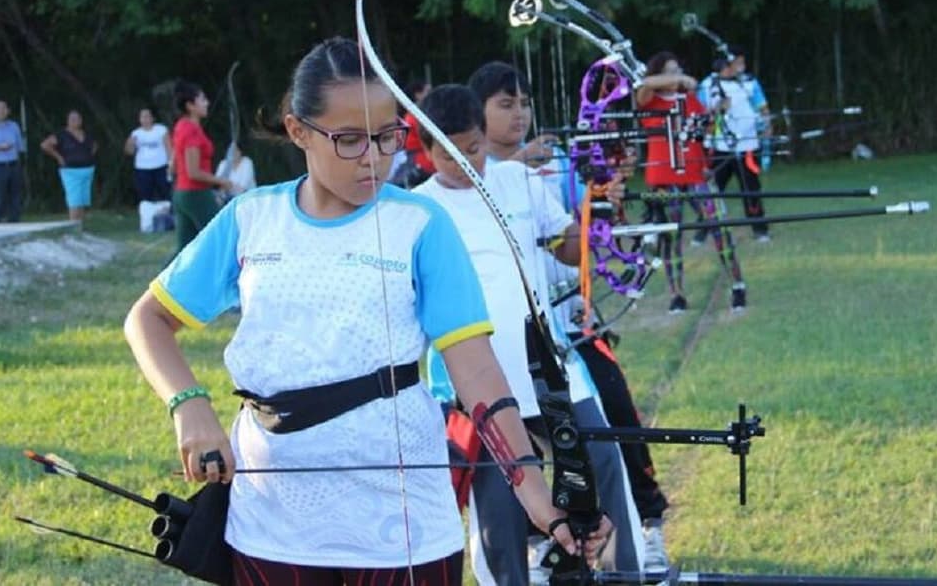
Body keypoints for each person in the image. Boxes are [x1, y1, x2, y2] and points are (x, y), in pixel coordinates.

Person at [123, 38, 607, 586]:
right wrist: (190, 407)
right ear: (298, 130)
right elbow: (147, 320)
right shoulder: (251, 219)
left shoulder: (422, 225)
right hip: (270, 517)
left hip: (401, 525)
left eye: (386, 137)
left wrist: (538, 499)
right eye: (349, 140)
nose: (374, 157)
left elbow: (476, 372)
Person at [413, 85, 640, 585]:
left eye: (471, 148)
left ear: (483, 139)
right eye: (445, 152)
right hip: (471, 387)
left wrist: (597, 210)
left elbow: (566, 247)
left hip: (548, 367)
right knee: (498, 504)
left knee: (601, 458)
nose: (461, 162)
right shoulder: (414, 211)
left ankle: (623, 575)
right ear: (425, 149)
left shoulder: (518, 179)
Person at [467, 62, 669, 575]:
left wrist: (600, 204)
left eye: (525, 103)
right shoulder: (448, 191)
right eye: (506, 104)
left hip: (557, 345)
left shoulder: (550, 166)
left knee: (606, 430)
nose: (520, 114)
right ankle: (541, 549)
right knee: (505, 471)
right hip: (486, 367)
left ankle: (635, 543)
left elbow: (576, 246)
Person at [635, 52, 747, 314]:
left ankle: (738, 286)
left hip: (697, 175)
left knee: (720, 228)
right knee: (671, 236)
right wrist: (682, 77)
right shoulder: (648, 100)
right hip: (663, 180)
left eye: (678, 70)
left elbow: (703, 130)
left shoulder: (689, 99)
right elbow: (644, 84)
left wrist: (716, 113)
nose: (675, 76)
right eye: (669, 71)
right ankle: (676, 295)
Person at [696, 46, 772, 241]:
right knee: (713, 189)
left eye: (742, 62)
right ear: (726, 65)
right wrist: (718, 108)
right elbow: (702, 114)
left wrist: (767, 126)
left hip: (748, 145)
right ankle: (703, 231)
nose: (741, 66)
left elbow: (762, 107)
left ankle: (760, 229)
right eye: (737, 62)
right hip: (721, 146)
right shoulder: (708, 84)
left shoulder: (749, 82)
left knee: (751, 188)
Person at [170, 81, 232, 257]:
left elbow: (174, 164)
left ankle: (161, 283)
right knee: (221, 239)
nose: (207, 103)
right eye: (202, 99)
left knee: (184, 249)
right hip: (196, 194)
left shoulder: (181, 126)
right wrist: (221, 181)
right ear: (190, 106)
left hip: (182, 194)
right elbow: (193, 172)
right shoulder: (191, 131)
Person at [40, 109, 99, 223]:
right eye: (72, 119)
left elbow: (95, 145)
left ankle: (80, 225)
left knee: (82, 200)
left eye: (77, 119)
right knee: (74, 199)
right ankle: (73, 225)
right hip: (70, 171)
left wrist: (89, 156)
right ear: (67, 121)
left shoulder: (86, 134)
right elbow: (45, 145)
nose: (75, 121)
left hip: (87, 170)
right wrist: (59, 157)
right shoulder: (61, 134)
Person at [389, 79, 434, 188]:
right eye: (428, 91)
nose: (431, 94)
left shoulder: (418, 114)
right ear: (418, 95)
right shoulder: (414, 116)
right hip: (418, 158)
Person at [125, 108, 172, 203]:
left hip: (161, 167)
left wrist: (170, 164)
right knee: (145, 195)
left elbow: (169, 147)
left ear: (152, 118)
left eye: (147, 116)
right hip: (143, 168)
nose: (145, 119)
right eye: (142, 117)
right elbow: (129, 152)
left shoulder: (161, 130)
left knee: (166, 193)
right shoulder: (136, 133)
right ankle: (147, 214)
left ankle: (168, 214)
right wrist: (130, 143)